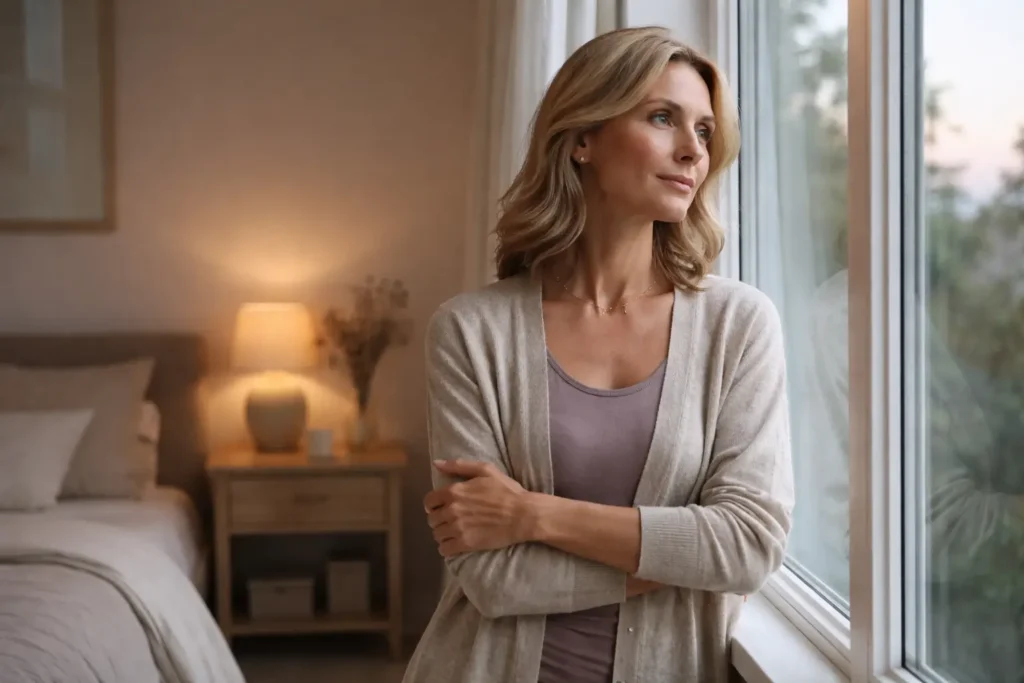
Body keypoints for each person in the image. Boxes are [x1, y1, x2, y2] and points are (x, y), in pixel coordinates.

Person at [402, 27, 795, 683]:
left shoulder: (738, 325)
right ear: (583, 137)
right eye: (663, 117)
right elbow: (491, 577)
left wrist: (533, 515)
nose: (693, 149)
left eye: (703, 130)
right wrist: (674, 558)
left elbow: (748, 543)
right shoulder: (470, 331)